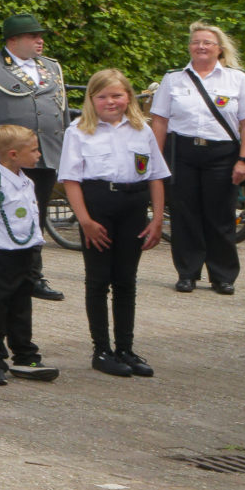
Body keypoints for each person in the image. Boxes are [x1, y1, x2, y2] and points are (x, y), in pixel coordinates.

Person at [62, 69, 169, 378]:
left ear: (129, 97)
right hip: (97, 206)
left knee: (126, 280)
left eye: (118, 95)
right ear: (92, 100)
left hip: (133, 206)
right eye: (103, 96)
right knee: (98, 280)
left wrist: (157, 218)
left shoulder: (141, 130)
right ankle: (101, 350)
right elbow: (70, 180)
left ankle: (125, 347)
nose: (111, 101)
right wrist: (85, 221)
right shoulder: (79, 131)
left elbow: (156, 176)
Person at [0, 15, 69, 301]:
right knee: (1, 216)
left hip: (43, 152)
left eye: (40, 35)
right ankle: (1, 272)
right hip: (5, 156)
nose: (40, 40)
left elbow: (61, 110)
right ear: (13, 40)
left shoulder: (52, 67)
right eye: (32, 36)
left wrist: (67, 148)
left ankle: (33, 275)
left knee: (36, 214)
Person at [148, 22, 245, 296]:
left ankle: (223, 276)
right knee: (185, 215)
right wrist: (156, 161)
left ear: (220, 49)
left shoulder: (237, 79)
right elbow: (159, 122)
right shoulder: (173, 79)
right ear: (189, 47)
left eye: (207, 42)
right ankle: (187, 273)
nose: (201, 47)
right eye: (196, 42)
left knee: (220, 216)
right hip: (182, 153)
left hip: (223, 155)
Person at [0, 123, 57, 386]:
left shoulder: (27, 181)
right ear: (13, 155)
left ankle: (25, 354)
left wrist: (36, 243)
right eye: (34, 150)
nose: (38, 155)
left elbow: (32, 215)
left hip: (24, 252)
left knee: (21, 305)